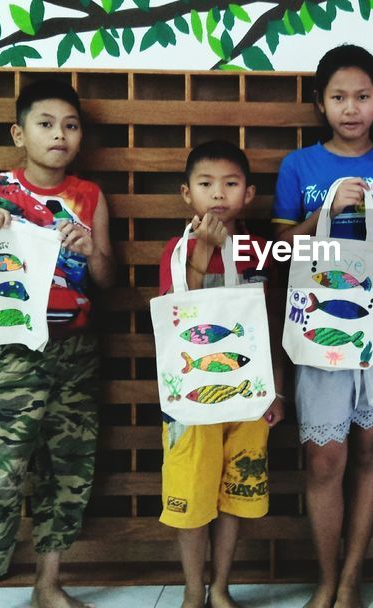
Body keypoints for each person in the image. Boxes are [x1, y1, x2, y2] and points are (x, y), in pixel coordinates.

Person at [271, 44, 373, 608]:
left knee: (369, 451)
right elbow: (279, 250)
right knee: (324, 457)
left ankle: (351, 580)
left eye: (362, 96)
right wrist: (326, 214)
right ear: (320, 103)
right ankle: (324, 577)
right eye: (338, 96)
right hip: (319, 326)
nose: (351, 107)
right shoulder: (300, 167)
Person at [0, 78, 115, 608]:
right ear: (18, 132)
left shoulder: (90, 196)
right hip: (12, 349)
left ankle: (48, 584)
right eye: (46, 124)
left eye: (70, 126)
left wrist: (93, 250)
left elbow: (107, 280)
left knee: (68, 469)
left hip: (76, 349)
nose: (59, 135)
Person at [157, 140, 285, 608]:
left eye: (230, 184)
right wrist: (204, 249)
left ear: (248, 194)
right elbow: (181, 311)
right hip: (190, 400)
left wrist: (277, 392)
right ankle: (194, 593)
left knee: (234, 493)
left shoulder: (257, 250)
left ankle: (221, 589)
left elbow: (272, 325)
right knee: (192, 497)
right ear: (186, 193)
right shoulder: (177, 250)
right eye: (206, 184)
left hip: (250, 396)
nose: (218, 194)